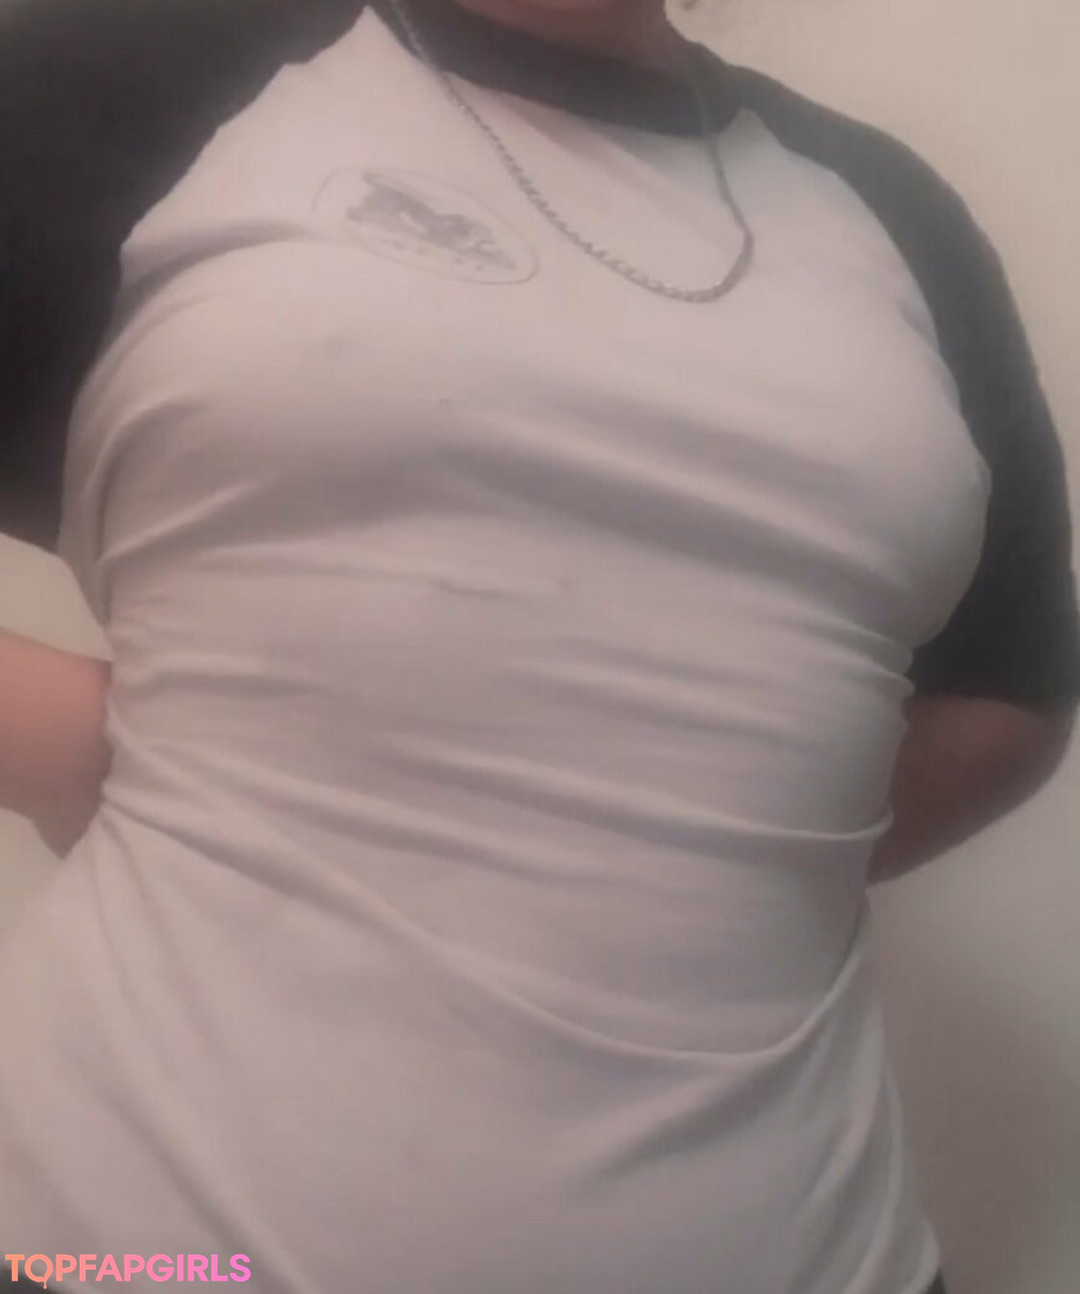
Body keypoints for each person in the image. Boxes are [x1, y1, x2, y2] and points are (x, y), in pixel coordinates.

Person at [0, 0, 1077, 1290]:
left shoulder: (889, 210)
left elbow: (1011, 681)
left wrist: (696, 837)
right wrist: (78, 744)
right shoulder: (121, 85)